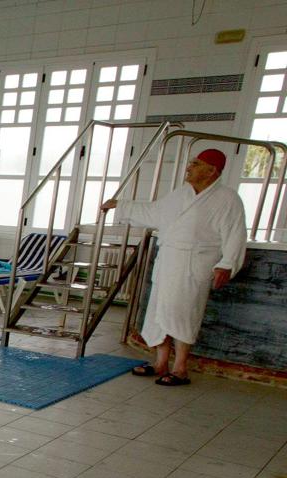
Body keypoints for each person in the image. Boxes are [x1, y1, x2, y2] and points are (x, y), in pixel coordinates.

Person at [100, 148, 247, 386]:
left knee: (184, 314)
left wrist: (227, 264)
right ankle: (160, 363)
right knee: (159, 312)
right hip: (168, 261)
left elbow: (235, 235)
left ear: (212, 171)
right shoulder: (181, 194)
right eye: (191, 162)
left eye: (196, 163)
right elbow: (155, 211)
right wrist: (121, 205)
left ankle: (180, 369)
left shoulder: (228, 199)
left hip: (193, 264)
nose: (189, 167)